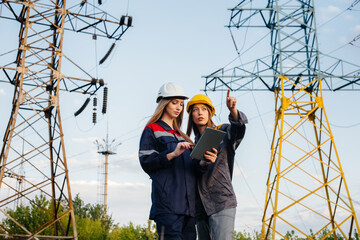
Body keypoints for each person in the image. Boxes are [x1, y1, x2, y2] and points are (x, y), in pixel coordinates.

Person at [139, 82, 206, 240]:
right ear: (163, 103)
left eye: (181, 104)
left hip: (189, 209)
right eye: (174, 102)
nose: (179, 107)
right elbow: (146, 161)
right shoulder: (152, 130)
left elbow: (193, 169)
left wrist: (205, 162)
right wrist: (172, 154)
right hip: (168, 205)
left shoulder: (183, 137)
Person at [186, 89, 248, 240]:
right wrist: (203, 163)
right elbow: (193, 172)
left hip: (221, 201)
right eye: (195, 110)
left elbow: (238, 129)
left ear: (210, 113)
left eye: (204, 109)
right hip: (200, 208)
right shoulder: (190, 146)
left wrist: (232, 109)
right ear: (191, 116)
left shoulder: (223, 132)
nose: (200, 113)